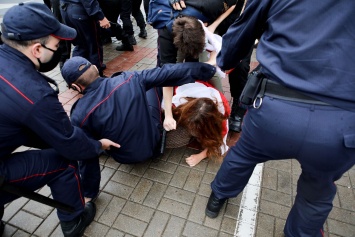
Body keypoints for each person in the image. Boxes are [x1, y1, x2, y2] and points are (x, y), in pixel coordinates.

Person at [205, 1, 355, 237]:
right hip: (340, 123)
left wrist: (225, 60)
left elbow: (240, 35)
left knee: (243, 155)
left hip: (275, 110)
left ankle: (218, 197)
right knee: (317, 192)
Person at [0, 3, 119, 236]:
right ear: (36, 49)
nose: (60, 49)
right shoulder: (34, 92)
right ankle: (73, 219)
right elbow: (70, 142)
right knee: (64, 161)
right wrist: (97, 146)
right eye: (56, 45)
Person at [60, 56, 217, 202]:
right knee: (152, 85)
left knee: (88, 137)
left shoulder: (79, 114)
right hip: (153, 144)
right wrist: (207, 70)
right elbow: (168, 72)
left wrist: (89, 193)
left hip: (123, 156)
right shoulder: (130, 78)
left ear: (74, 86)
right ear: (94, 67)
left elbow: (86, 154)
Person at [162, 80, 230, 167]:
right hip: (184, 96)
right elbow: (166, 103)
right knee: (172, 138)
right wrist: (168, 117)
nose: (192, 130)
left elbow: (220, 141)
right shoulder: (179, 98)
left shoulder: (222, 114)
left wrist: (201, 156)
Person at [59, 0, 111, 76]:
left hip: (66, 9)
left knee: (80, 45)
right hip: (80, 10)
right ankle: (96, 75)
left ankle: (75, 75)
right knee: (94, 46)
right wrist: (100, 16)